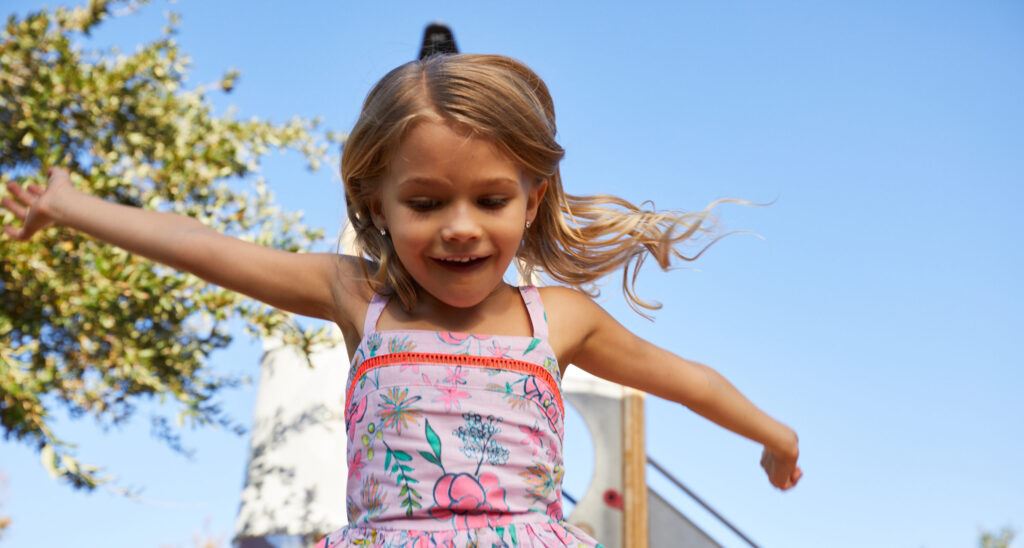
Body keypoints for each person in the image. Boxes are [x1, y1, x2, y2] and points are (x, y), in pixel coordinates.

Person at [2, 53, 802, 547]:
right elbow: (206, 248)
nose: (460, 229)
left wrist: (776, 438)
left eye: (490, 200)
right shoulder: (360, 296)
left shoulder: (555, 317)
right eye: (425, 203)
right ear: (376, 204)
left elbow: (686, 378)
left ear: (532, 199)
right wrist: (71, 207)